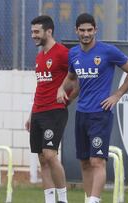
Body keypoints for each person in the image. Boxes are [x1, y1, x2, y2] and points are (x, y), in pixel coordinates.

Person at [57, 13, 128, 203]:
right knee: (85, 162)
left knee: (97, 161)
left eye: (89, 30)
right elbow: (71, 78)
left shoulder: (108, 51)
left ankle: (94, 200)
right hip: (81, 113)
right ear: (76, 31)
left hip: (100, 114)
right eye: (82, 30)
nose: (86, 34)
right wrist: (62, 89)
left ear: (95, 30)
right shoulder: (74, 54)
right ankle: (90, 199)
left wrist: (117, 95)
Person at [25, 15, 78, 203]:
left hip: (55, 111)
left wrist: (68, 99)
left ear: (49, 31)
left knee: (50, 154)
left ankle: (63, 199)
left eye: (36, 32)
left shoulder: (63, 53)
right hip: (38, 111)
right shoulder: (40, 57)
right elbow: (40, 87)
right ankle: (49, 200)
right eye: (32, 32)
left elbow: (77, 79)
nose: (33, 35)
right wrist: (31, 114)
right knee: (42, 158)